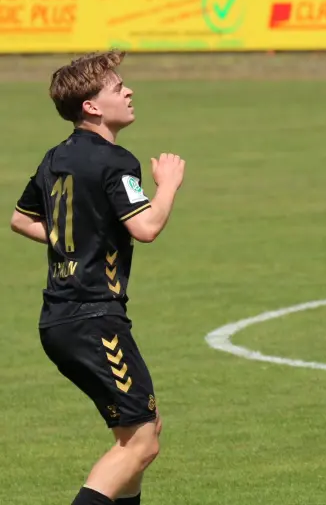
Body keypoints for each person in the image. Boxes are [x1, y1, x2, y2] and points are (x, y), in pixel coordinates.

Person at [10, 50, 186, 505]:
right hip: (94, 320)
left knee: (141, 430)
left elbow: (19, 218)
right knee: (143, 442)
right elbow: (145, 228)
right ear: (91, 106)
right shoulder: (116, 161)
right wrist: (166, 184)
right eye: (116, 87)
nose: (128, 91)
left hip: (60, 321)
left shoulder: (55, 158)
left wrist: (75, 240)